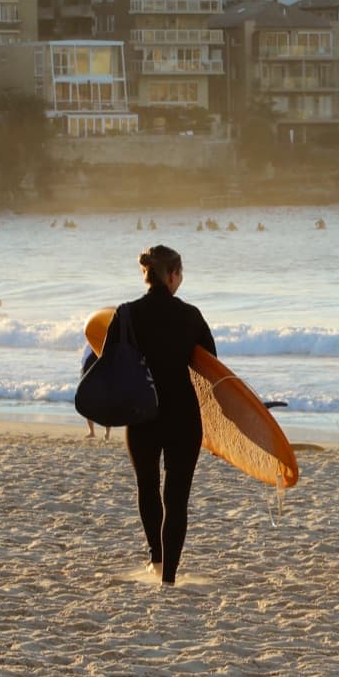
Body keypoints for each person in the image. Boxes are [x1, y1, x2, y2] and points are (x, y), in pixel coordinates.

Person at [113, 244, 215, 585]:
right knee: (177, 496)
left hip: (141, 412)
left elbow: (110, 362)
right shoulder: (191, 315)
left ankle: (155, 560)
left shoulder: (125, 314)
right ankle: (169, 576)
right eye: (180, 274)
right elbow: (210, 370)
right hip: (183, 416)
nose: (181, 280)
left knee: (147, 487)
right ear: (171, 275)